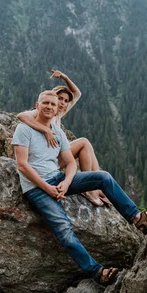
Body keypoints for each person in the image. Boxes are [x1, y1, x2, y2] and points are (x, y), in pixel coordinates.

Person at [12, 90, 147, 285]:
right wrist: (47, 188)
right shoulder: (24, 129)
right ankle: (97, 272)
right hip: (36, 188)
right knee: (64, 228)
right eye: (46, 103)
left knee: (103, 177)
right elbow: (22, 165)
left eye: (53, 104)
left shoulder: (57, 132)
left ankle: (137, 218)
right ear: (37, 105)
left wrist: (66, 183)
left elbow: (70, 163)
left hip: (58, 179)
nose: (50, 107)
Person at [17, 70, 109, 207]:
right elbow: (21, 116)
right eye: (59, 99)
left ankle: (96, 188)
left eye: (65, 101)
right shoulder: (44, 111)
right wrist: (45, 130)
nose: (62, 103)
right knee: (84, 142)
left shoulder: (59, 112)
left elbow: (77, 93)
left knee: (86, 145)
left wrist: (65, 77)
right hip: (47, 161)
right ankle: (89, 190)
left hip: (55, 155)